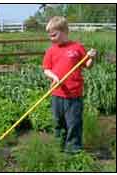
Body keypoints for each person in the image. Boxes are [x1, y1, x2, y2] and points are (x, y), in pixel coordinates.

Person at [42, 16, 97, 154]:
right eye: (49, 35)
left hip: (74, 94)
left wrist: (92, 57)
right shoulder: (51, 50)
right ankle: (58, 147)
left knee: (73, 123)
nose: (51, 38)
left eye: (54, 35)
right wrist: (54, 77)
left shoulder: (77, 47)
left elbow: (88, 65)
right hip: (57, 94)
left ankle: (73, 150)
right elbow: (46, 69)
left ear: (65, 31)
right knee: (57, 122)